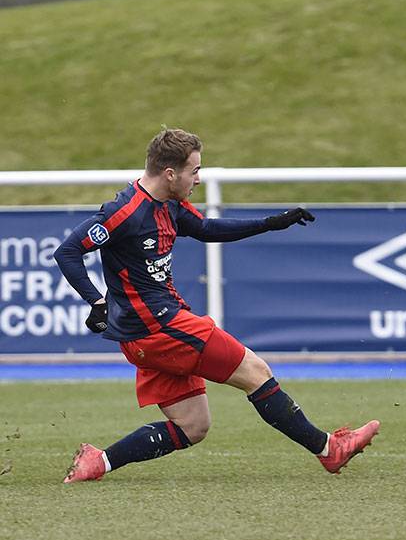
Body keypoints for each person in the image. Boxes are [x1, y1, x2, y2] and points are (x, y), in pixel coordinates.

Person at [54, 128, 379, 483]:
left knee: (192, 425)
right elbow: (68, 251)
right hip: (160, 327)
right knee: (256, 372)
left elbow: (207, 228)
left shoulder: (169, 205)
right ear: (169, 174)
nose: (198, 179)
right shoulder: (125, 212)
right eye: (194, 170)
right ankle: (329, 449)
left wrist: (271, 223)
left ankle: (97, 462)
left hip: (144, 333)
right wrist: (97, 301)